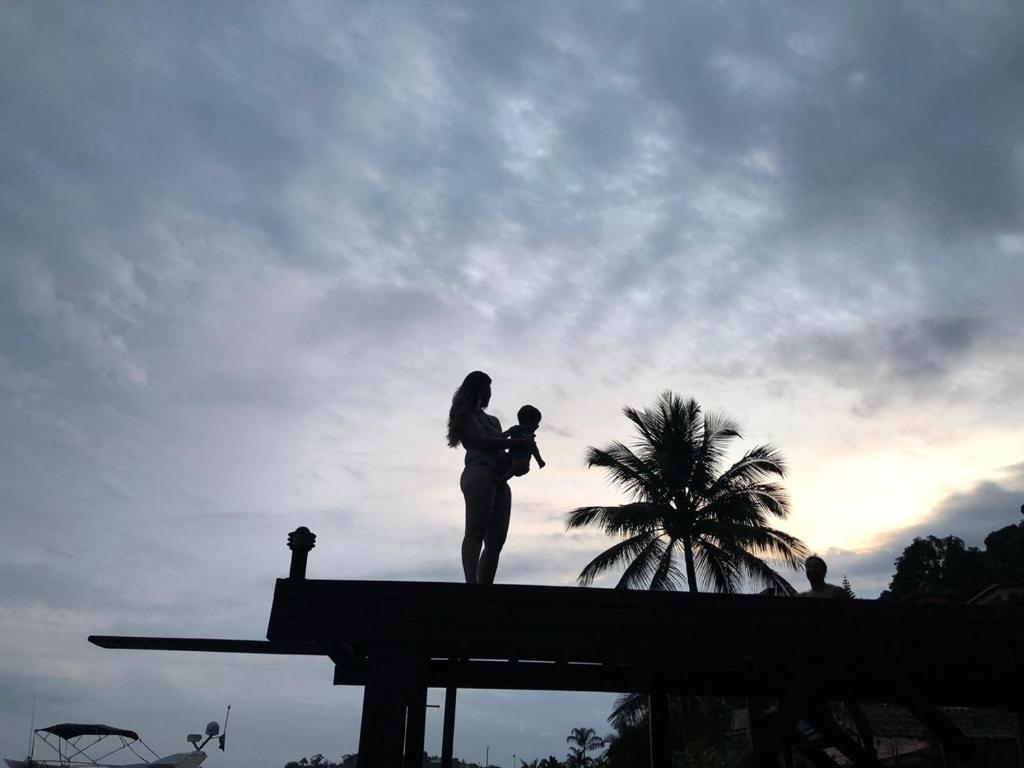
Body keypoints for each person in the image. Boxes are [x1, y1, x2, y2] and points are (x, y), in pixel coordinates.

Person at [447, 371, 535, 585]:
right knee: (475, 529)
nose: (489, 393)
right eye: (486, 388)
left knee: (496, 540)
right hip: (478, 472)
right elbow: (484, 441)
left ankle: (485, 586)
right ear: (477, 389)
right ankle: (471, 584)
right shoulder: (467, 416)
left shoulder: (493, 420)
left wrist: (517, 458)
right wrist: (520, 443)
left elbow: (497, 445)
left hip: (498, 476)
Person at [501, 404, 546, 480]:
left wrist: (539, 460)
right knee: (502, 457)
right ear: (527, 420)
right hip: (511, 457)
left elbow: (534, 449)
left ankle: (503, 478)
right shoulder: (515, 429)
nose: (537, 426)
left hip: (522, 461)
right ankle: (502, 476)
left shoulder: (530, 437)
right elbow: (502, 437)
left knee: (520, 465)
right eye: (536, 422)